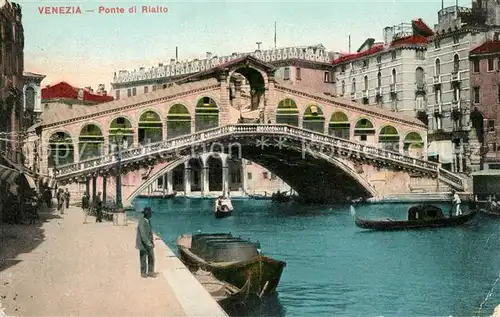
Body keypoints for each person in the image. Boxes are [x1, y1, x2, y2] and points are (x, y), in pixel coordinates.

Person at [136, 207, 156, 278]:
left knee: (151, 258)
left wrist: (152, 242)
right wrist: (148, 243)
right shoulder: (141, 221)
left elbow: (150, 233)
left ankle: (150, 272)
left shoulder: (148, 220)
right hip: (143, 243)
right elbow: (143, 234)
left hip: (149, 243)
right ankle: (143, 273)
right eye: (150, 213)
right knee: (143, 258)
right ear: (147, 214)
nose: (151, 215)